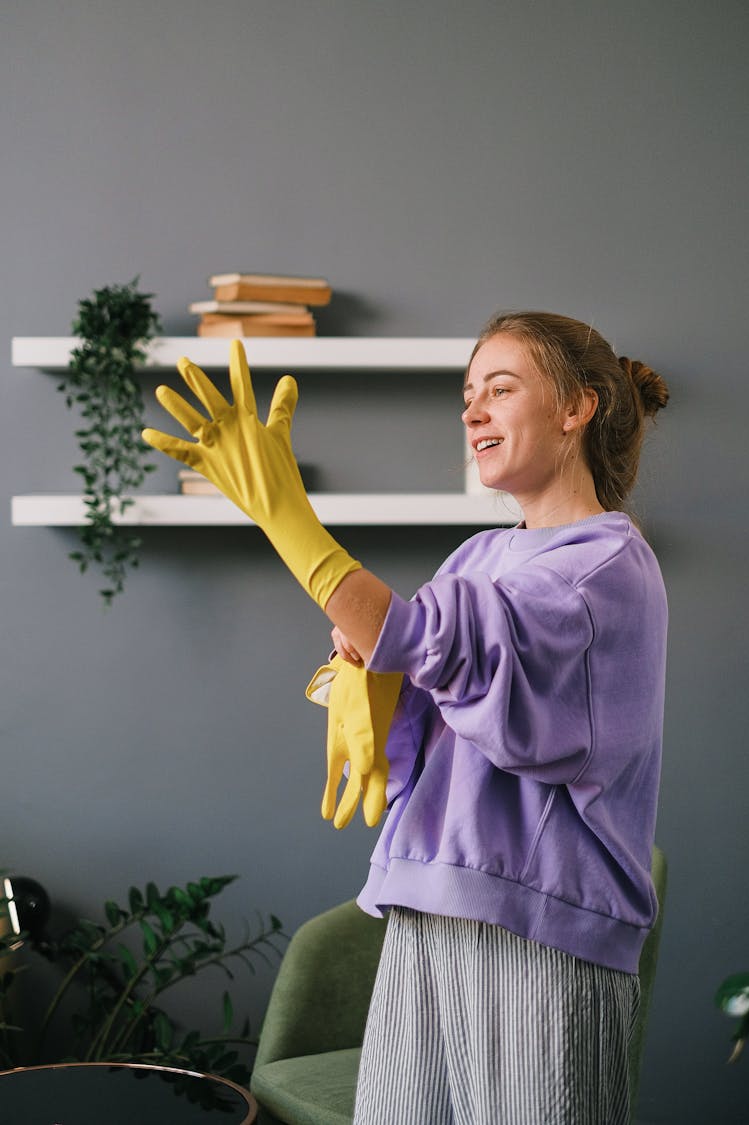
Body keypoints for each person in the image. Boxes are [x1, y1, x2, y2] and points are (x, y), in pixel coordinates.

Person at [143, 310, 669, 1125]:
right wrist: (373, 677)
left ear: (578, 407)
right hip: (432, 908)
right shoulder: (480, 555)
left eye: (501, 388)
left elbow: (439, 643)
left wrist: (291, 520)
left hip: (542, 936)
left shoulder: (607, 566)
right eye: (467, 395)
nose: (473, 411)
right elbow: (422, 670)